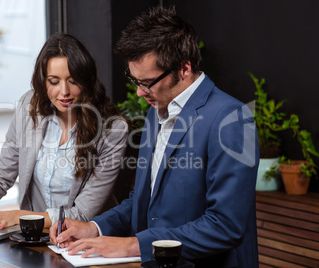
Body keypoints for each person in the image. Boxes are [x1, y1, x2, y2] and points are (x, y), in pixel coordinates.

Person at [50, 6, 259, 268]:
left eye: (146, 82)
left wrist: (131, 245)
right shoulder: (156, 111)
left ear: (184, 68)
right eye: (134, 80)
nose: (139, 93)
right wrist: (94, 227)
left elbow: (225, 225)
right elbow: (141, 200)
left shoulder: (233, 118)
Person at [0, 33, 128, 232]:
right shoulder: (28, 107)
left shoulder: (113, 130)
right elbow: (1, 176)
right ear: (42, 81)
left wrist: (20, 217)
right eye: (54, 81)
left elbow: (81, 214)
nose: (64, 92)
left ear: (86, 80)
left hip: (87, 241)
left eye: (73, 81)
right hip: (37, 236)